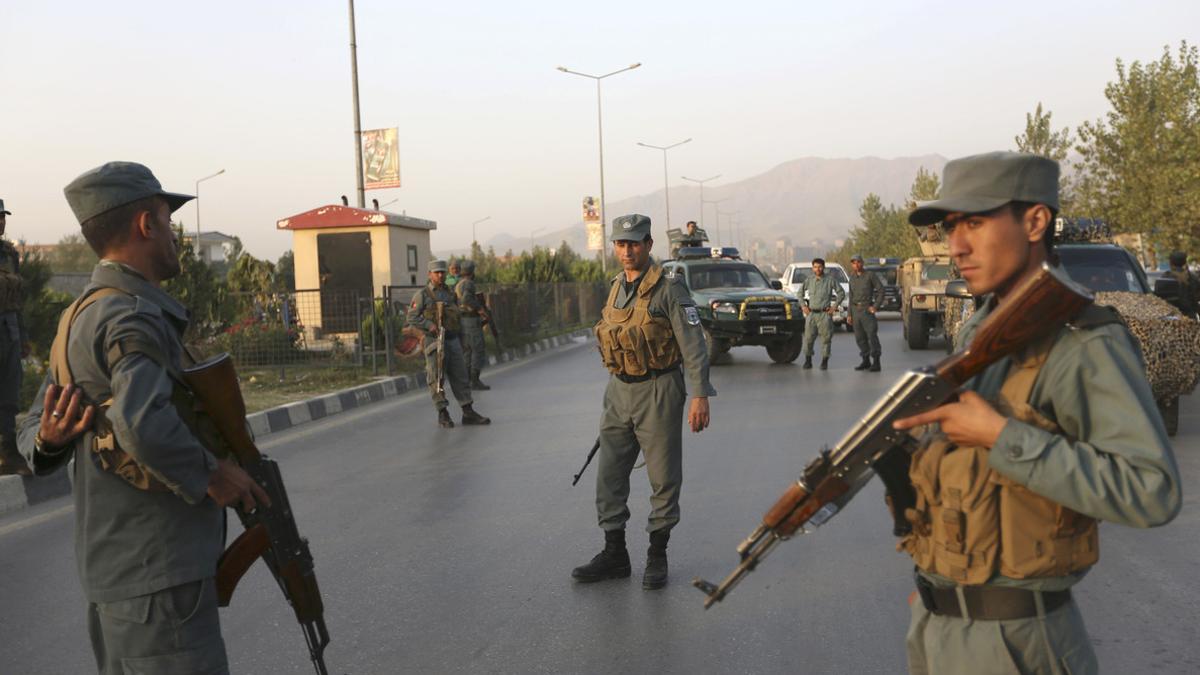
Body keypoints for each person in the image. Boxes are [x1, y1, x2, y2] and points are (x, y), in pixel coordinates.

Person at [892, 151, 1181, 675]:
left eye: (975, 222)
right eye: (951, 226)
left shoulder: (1083, 340)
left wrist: (1000, 435)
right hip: (940, 628)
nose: (955, 245)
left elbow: (1151, 490)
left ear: (1035, 221)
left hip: (1016, 647)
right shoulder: (979, 328)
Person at [17, 161, 271, 674]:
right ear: (145, 225)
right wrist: (212, 473)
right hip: (160, 580)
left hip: (120, 577)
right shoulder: (132, 315)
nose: (175, 235)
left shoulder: (80, 316)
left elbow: (29, 429)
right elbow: (141, 423)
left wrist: (48, 438)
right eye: (168, 220)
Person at [573, 213, 714, 590]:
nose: (626, 250)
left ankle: (657, 553)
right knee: (609, 475)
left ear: (649, 245)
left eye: (634, 243)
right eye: (620, 243)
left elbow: (693, 345)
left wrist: (699, 394)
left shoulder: (670, 289)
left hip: (659, 389)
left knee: (663, 478)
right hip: (618, 391)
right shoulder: (616, 286)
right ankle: (614, 554)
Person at [407, 259, 490, 428]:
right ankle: (442, 413)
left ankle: (468, 411)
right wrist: (429, 325)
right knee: (437, 378)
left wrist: (462, 338)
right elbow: (412, 316)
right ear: (429, 274)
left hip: (452, 339)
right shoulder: (423, 295)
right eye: (436, 272)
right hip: (435, 341)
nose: (440, 275)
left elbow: (457, 316)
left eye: (442, 272)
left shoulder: (451, 293)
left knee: (460, 376)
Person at [0, 198, 31, 476]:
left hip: (8, 326)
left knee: (10, 390)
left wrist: (22, 336)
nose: (1, 221)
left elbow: (17, 299)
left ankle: (7, 451)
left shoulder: (9, 254)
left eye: (3, 216)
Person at [798, 258, 845, 370]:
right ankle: (808, 361)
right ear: (812, 268)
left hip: (824, 314)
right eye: (815, 267)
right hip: (811, 314)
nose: (817, 269)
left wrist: (834, 307)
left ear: (823, 267)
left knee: (826, 339)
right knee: (808, 338)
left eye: (819, 267)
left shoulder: (830, 280)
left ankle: (824, 362)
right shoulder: (809, 280)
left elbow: (841, 293)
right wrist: (803, 306)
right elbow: (799, 293)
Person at [455, 260, 490, 390]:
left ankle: (467, 380)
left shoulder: (459, 284)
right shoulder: (469, 283)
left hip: (463, 321)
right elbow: (466, 299)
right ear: (471, 272)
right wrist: (480, 309)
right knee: (478, 350)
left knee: (468, 351)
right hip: (471, 321)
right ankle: (474, 380)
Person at [847, 254, 884, 372]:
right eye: (853, 263)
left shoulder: (870, 275)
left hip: (866, 310)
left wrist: (875, 306)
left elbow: (881, 290)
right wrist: (849, 314)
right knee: (860, 338)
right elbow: (851, 297)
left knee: (871, 335)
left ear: (862, 263)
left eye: (858, 262)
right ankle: (866, 360)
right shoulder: (852, 277)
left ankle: (876, 362)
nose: (856, 265)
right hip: (855, 310)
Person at [1166, 250, 1199, 318]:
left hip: (1173, 317)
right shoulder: (1192, 277)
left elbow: (1159, 297)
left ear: (1171, 263)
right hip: (1190, 316)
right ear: (1185, 262)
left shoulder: (1166, 277)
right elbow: (1197, 297)